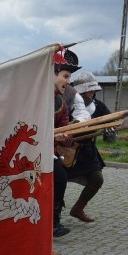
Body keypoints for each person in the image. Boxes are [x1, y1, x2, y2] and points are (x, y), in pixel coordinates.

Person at [65, 71, 110, 222]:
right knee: (58, 181)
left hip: (87, 150)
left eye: (93, 90)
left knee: (97, 180)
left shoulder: (100, 107)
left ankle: (78, 208)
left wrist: (110, 132)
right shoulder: (67, 105)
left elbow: (110, 135)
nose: (92, 93)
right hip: (66, 149)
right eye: (89, 90)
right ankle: (53, 214)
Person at [52, 48, 80, 239]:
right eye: (65, 76)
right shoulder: (33, 98)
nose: (68, 82)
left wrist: (67, 135)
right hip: (27, 152)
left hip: (49, 151)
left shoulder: (60, 102)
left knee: (60, 177)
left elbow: (65, 130)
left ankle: (53, 223)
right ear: (52, 74)